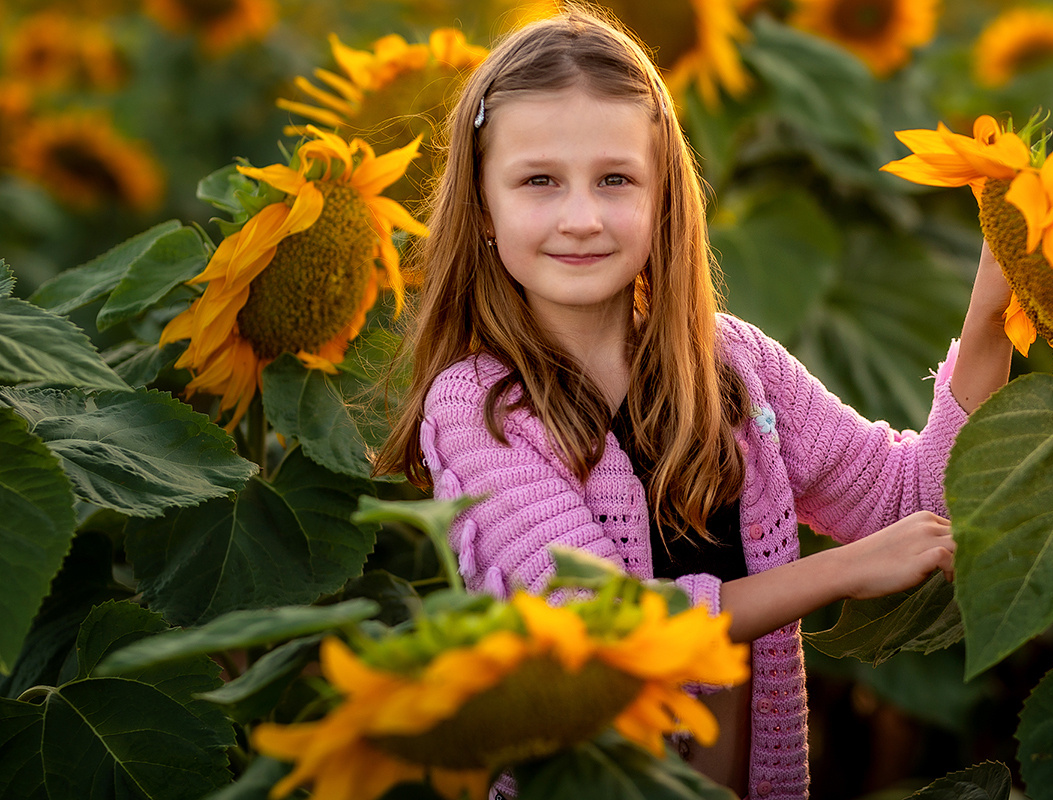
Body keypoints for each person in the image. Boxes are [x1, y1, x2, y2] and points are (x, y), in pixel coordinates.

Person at [373, 8, 1013, 799]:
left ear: (662, 195)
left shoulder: (733, 369)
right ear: (483, 204)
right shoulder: (479, 410)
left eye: (615, 179)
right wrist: (840, 573)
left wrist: (992, 316)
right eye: (539, 181)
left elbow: (910, 502)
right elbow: (602, 629)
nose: (581, 217)